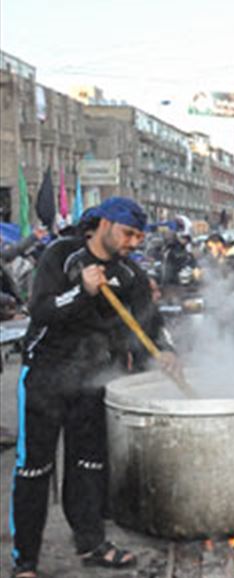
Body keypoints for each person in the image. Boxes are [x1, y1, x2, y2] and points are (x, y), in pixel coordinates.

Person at [10, 197, 175, 578]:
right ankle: (25, 562)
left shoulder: (130, 275)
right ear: (103, 225)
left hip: (96, 379)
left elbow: (147, 327)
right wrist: (82, 291)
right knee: (34, 469)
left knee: (89, 465)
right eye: (128, 233)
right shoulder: (62, 256)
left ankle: (91, 542)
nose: (135, 242)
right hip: (46, 378)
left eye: (139, 235)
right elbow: (41, 310)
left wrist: (165, 353)